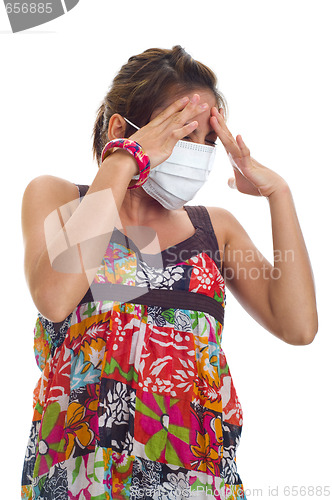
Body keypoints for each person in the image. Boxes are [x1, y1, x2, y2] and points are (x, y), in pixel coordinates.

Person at [20, 45, 318, 500]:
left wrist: (278, 192)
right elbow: (56, 297)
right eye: (180, 133)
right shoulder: (60, 199)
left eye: (208, 142)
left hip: (196, 474)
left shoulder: (214, 229)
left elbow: (298, 327)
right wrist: (124, 159)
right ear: (123, 129)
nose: (197, 154)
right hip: (83, 476)